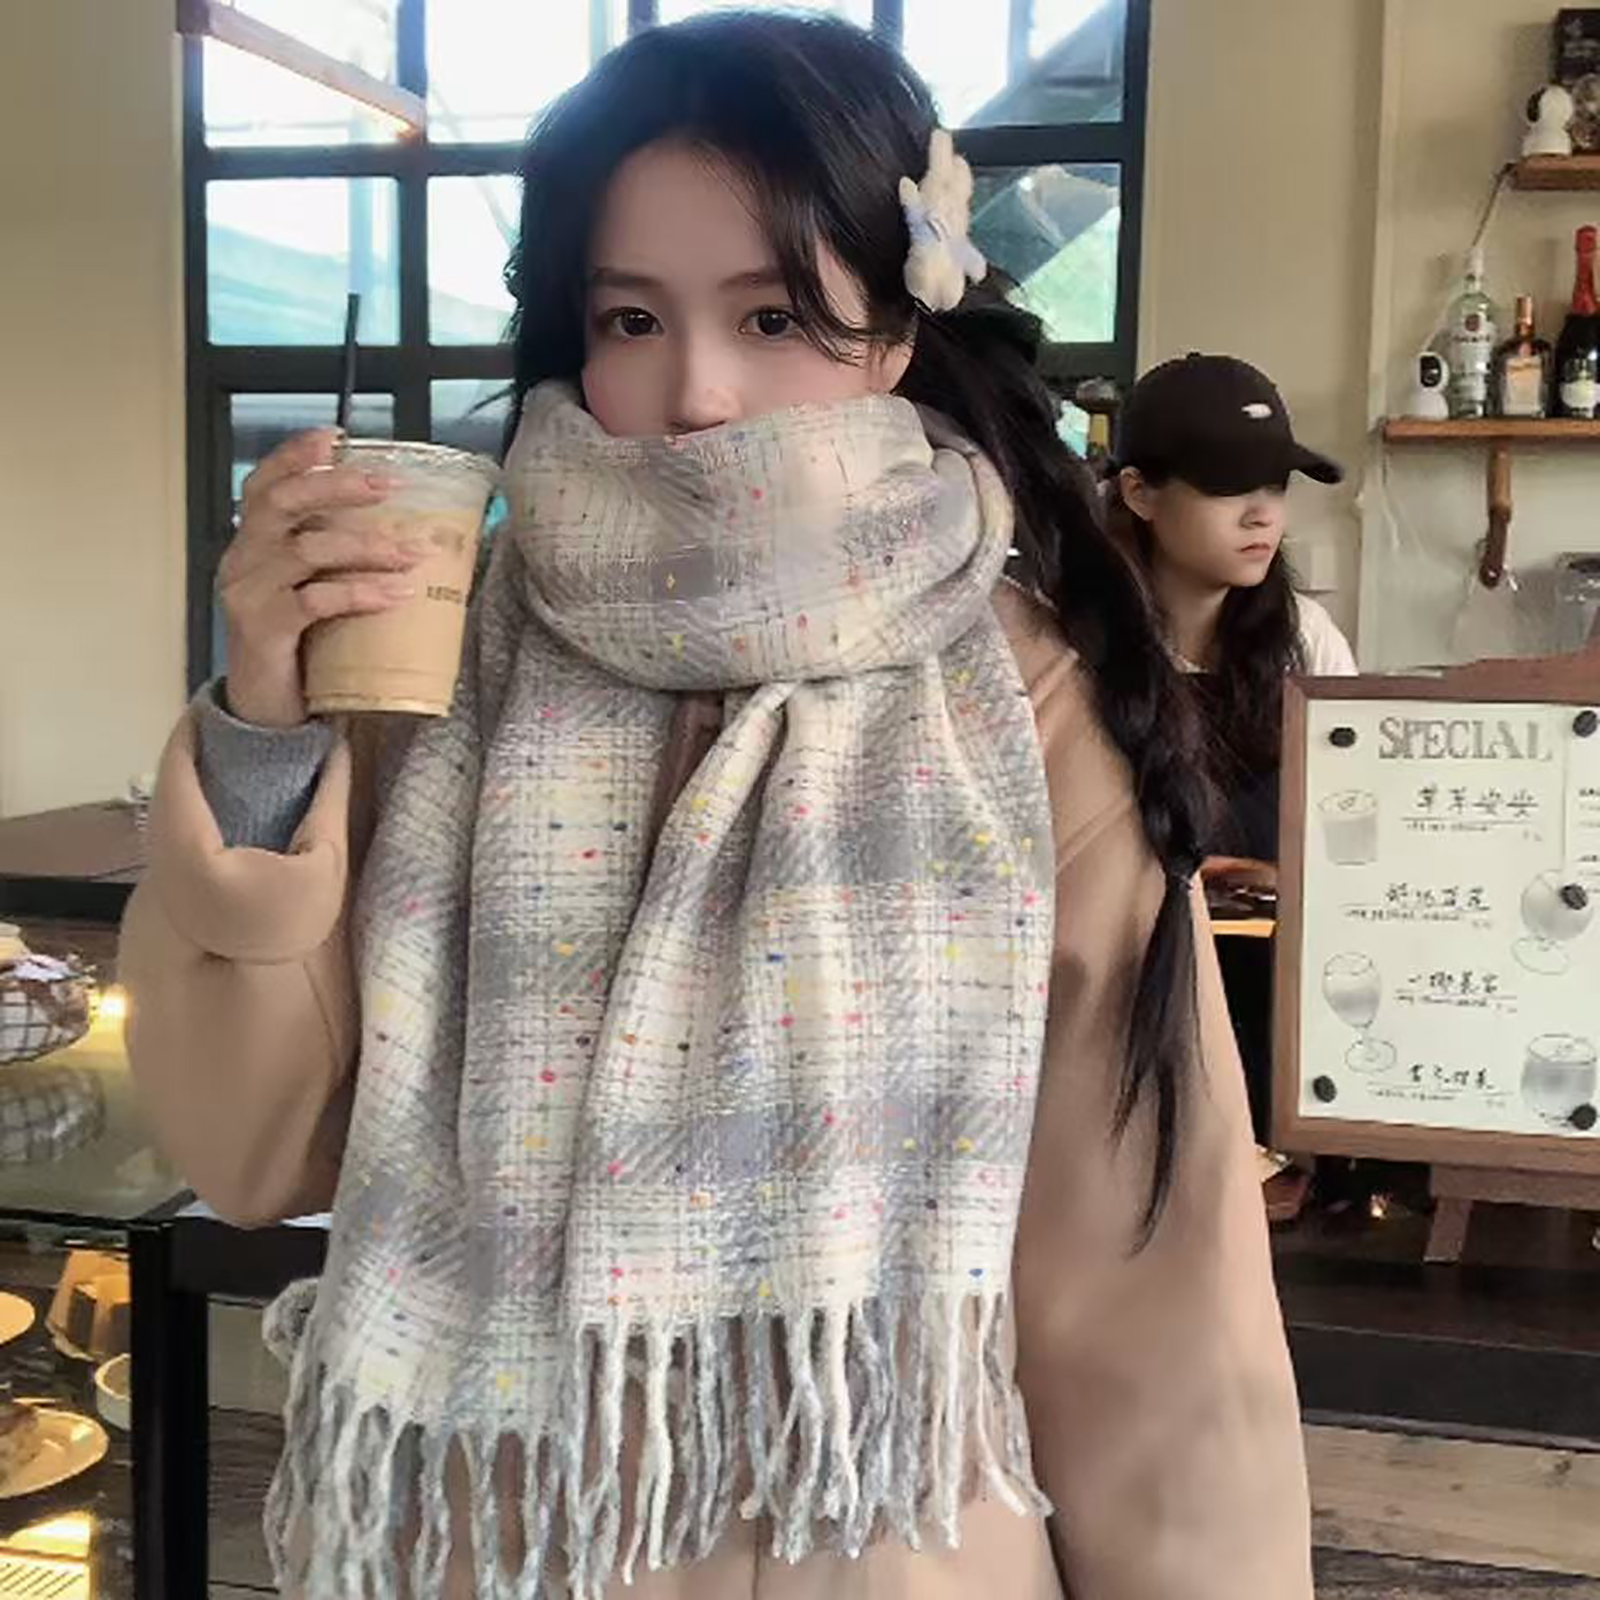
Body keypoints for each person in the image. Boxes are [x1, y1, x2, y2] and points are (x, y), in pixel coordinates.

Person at [120, 16, 1309, 1599]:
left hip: (873, 1550)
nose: (697, 391)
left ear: (894, 329)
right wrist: (265, 727)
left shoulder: (1018, 702)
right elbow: (254, 1150)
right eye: (632, 317)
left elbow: (1147, 1304)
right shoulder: (445, 661)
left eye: (773, 315)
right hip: (496, 1546)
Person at [1107, 353, 1357, 865]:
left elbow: (1350, 820)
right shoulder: (1072, 642)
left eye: (1276, 484)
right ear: (1139, 493)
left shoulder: (1307, 639)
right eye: (1227, 484)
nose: (1262, 514)